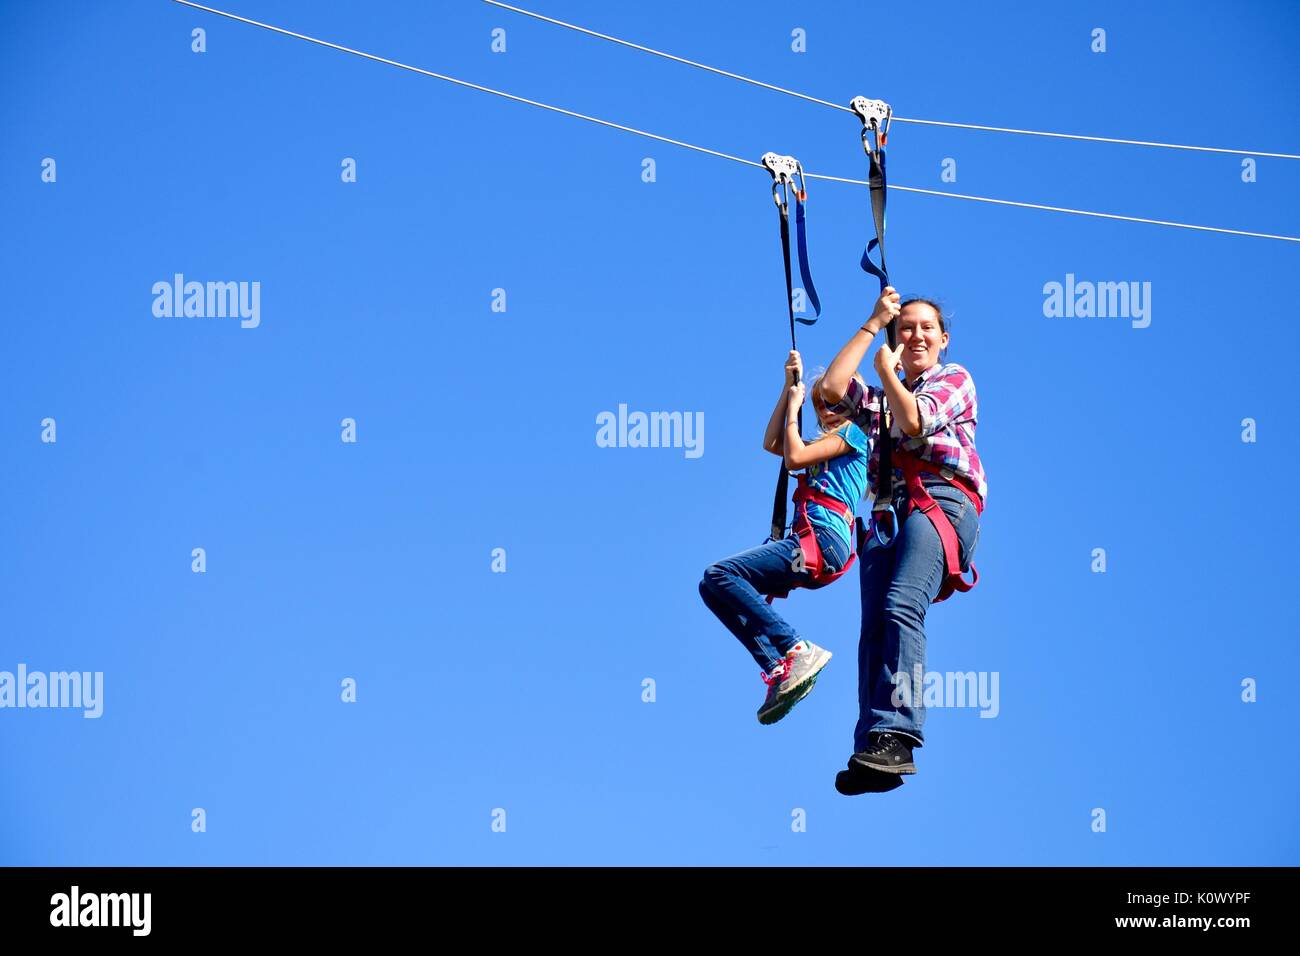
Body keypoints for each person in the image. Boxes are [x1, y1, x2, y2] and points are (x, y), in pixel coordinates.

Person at [818, 287, 986, 794]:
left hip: (940, 500)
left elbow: (914, 420)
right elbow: (831, 389)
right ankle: (873, 741)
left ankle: (900, 733)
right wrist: (873, 324)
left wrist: (887, 370)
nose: (915, 334)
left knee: (900, 606)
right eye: (905, 327)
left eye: (925, 328)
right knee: (872, 630)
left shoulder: (953, 379)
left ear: (943, 339)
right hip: (889, 515)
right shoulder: (880, 399)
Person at [699, 349, 872, 725]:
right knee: (711, 587)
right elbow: (774, 445)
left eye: (835, 401)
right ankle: (780, 667)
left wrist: (795, 410)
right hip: (815, 544)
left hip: (823, 539)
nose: (827, 409)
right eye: (820, 404)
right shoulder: (818, 446)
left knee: (720, 574)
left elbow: (792, 458)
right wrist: (787, 389)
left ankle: (795, 647)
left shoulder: (854, 435)